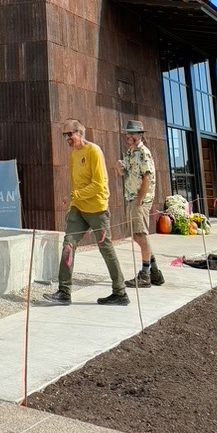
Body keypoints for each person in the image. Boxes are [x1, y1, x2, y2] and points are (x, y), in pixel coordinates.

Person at [43, 120, 129, 306]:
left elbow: (99, 185)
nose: (66, 138)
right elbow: (77, 183)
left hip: (97, 209)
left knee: (106, 248)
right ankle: (64, 292)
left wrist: (75, 195)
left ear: (79, 133)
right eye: (64, 135)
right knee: (68, 244)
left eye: (69, 134)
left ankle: (120, 292)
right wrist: (72, 201)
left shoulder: (94, 151)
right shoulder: (74, 154)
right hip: (78, 208)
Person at [117, 119, 164, 288]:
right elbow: (127, 173)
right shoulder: (130, 152)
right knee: (137, 235)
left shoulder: (144, 153)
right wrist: (119, 168)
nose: (127, 136)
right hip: (131, 198)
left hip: (140, 200)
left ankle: (145, 274)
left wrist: (139, 200)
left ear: (139, 135)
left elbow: (147, 177)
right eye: (127, 133)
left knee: (140, 235)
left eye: (131, 133)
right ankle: (155, 271)